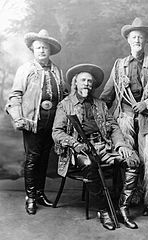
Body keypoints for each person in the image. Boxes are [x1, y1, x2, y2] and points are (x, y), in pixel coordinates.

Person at [52, 63, 140, 230]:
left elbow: (113, 126)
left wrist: (121, 145)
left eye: (90, 81)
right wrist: (75, 144)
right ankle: (104, 210)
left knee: (133, 161)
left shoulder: (100, 104)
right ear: (75, 83)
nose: (87, 84)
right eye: (83, 80)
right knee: (89, 165)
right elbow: (57, 132)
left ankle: (123, 208)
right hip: (78, 151)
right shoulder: (65, 105)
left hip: (104, 146)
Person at [100, 18, 148, 216]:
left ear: (146, 41)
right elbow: (107, 95)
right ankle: (131, 197)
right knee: (128, 160)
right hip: (125, 120)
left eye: (141, 37)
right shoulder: (119, 65)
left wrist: (146, 103)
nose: (137, 40)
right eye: (134, 37)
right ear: (128, 41)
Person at [5, 29, 66, 215]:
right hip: (33, 121)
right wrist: (18, 117)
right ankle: (30, 197)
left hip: (53, 122)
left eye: (45, 48)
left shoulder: (57, 71)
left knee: (45, 159)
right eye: (38, 47)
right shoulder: (26, 69)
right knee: (33, 160)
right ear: (33, 49)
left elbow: (64, 94)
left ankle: (39, 194)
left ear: (50, 51)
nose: (41, 51)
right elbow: (15, 95)